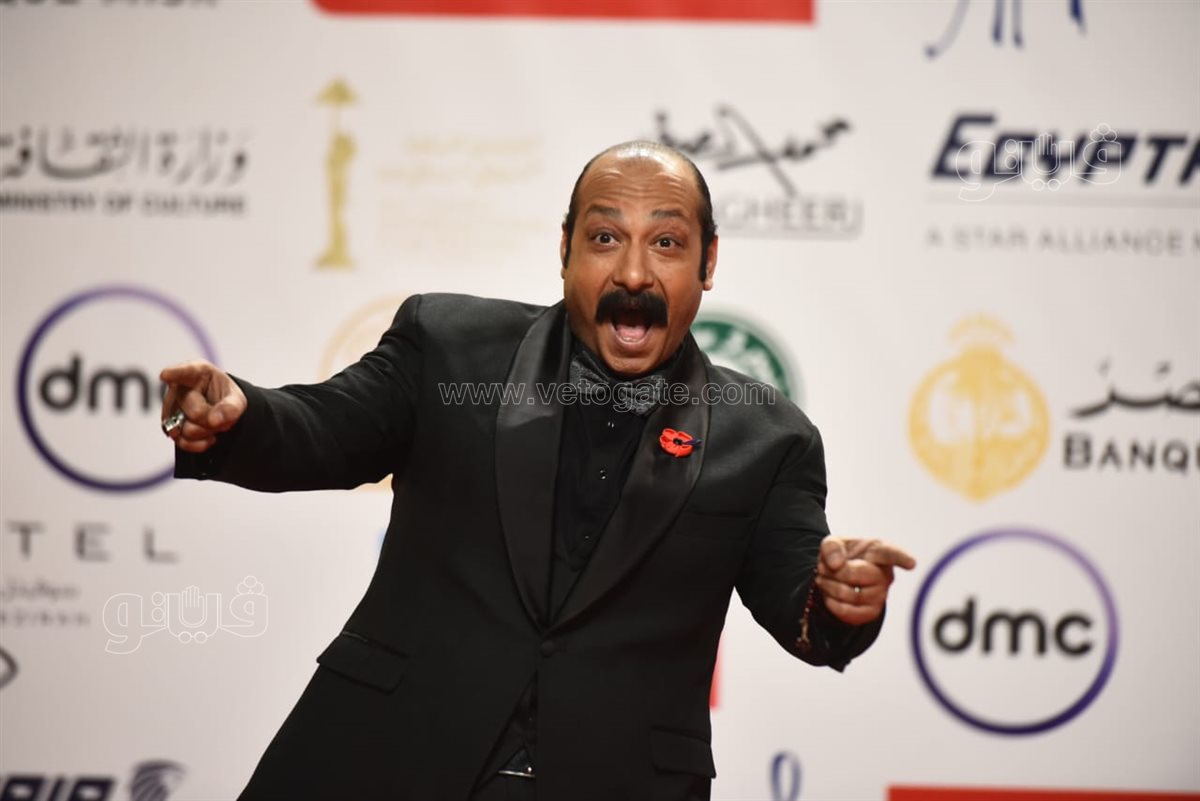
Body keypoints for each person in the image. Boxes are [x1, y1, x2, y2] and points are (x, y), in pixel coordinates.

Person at [160, 140, 915, 801]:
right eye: (605, 237)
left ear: (708, 262)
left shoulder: (768, 438)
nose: (633, 272)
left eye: (666, 243)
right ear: (564, 250)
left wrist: (841, 600)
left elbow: (803, 608)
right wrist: (242, 416)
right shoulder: (449, 346)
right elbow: (325, 426)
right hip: (384, 758)